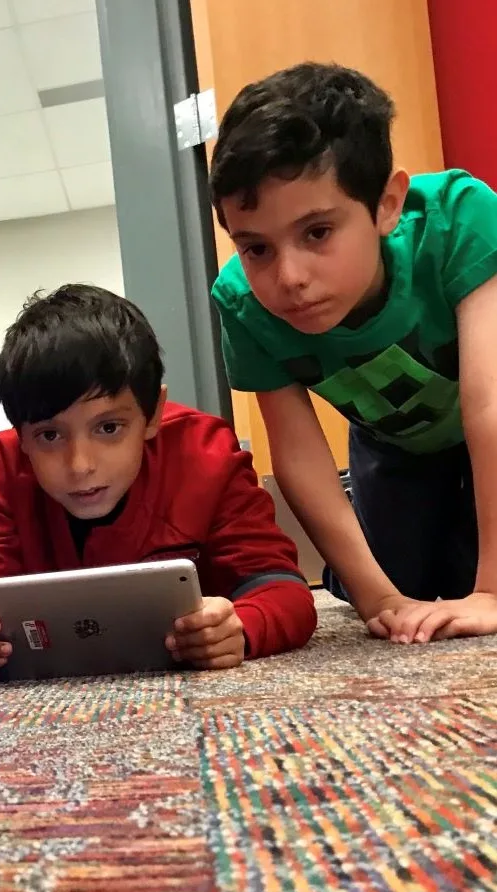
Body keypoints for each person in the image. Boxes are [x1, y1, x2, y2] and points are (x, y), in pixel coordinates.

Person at [209, 62, 497, 646]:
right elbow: (298, 455)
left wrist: (492, 591)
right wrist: (380, 598)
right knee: (399, 580)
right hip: (393, 444)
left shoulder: (462, 218)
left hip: (485, 422)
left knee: (472, 573)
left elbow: (488, 404)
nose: (289, 278)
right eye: (257, 248)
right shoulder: (243, 302)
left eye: (317, 232)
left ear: (387, 204)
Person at [0, 285, 317, 674]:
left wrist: (242, 628)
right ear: (20, 435)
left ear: (152, 414)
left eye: (109, 428)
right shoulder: (0, 464)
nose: (80, 466)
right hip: (32, 559)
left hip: (61, 561)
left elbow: (285, 591)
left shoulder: (205, 452)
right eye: (49, 435)